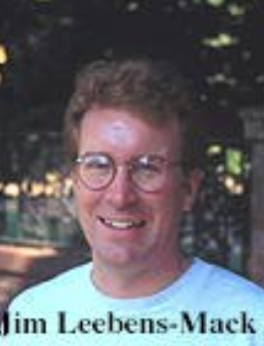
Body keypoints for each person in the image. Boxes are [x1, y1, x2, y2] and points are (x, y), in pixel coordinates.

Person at [1, 58, 264, 345]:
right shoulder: (30, 318)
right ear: (75, 180)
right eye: (99, 164)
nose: (120, 196)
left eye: (148, 167)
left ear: (188, 189)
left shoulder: (250, 325)